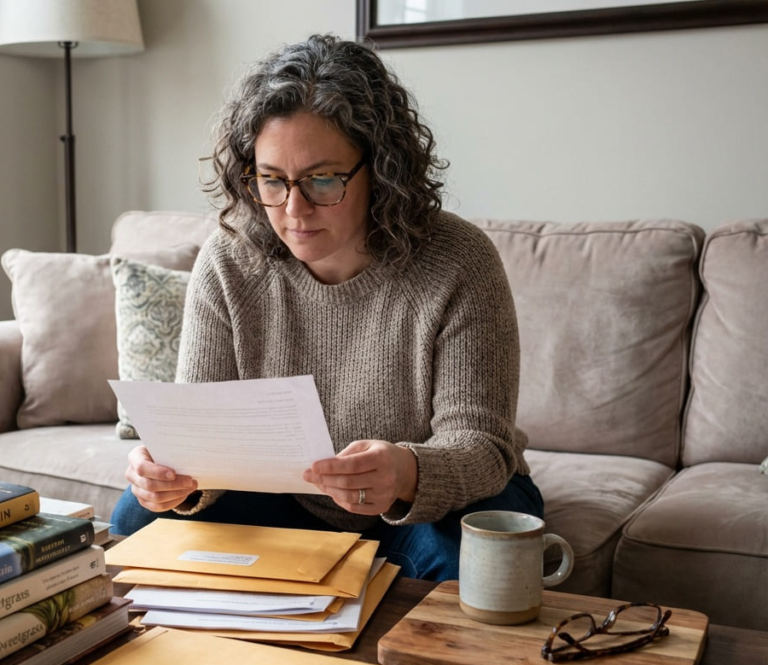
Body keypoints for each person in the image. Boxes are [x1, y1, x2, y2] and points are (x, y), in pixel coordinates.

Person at [110, 34, 542, 581]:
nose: (294, 208)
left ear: (381, 169)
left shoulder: (458, 260)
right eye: (272, 180)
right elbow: (203, 441)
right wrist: (169, 476)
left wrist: (407, 470)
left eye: (322, 179)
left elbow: (481, 445)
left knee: (470, 562)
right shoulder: (229, 260)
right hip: (287, 501)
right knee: (136, 518)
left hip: (424, 504)